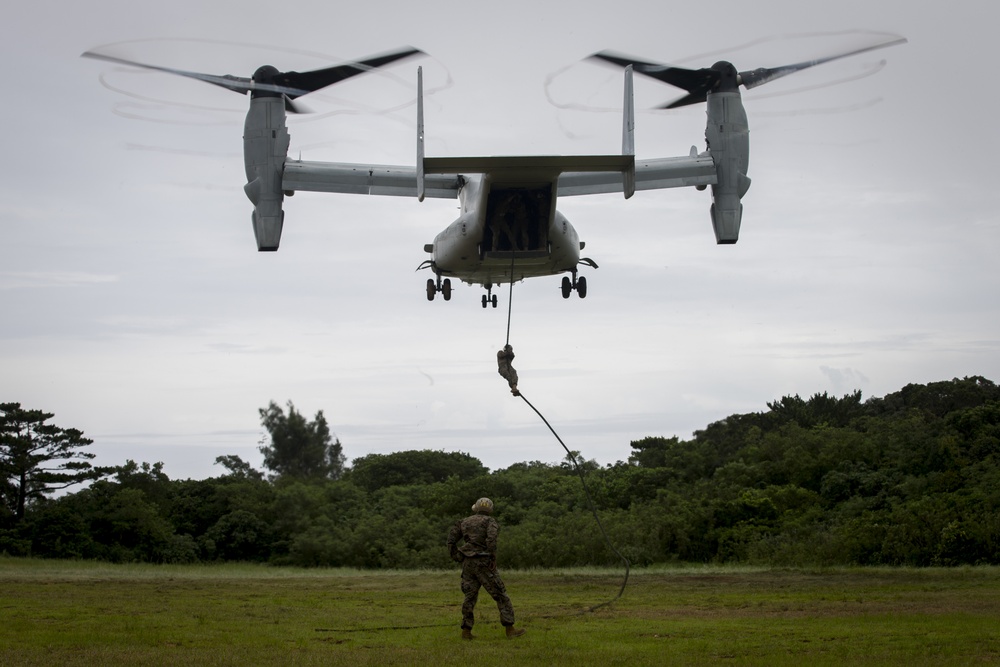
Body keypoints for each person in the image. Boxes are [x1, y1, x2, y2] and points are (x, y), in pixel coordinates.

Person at [446, 497, 526, 640]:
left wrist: (456, 556)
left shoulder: (464, 521)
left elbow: (451, 540)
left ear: (476, 508)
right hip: (483, 562)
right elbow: (491, 539)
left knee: (469, 597)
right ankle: (510, 629)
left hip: (467, 563)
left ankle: (466, 631)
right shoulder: (490, 522)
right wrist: (492, 557)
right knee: (500, 594)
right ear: (490, 509)